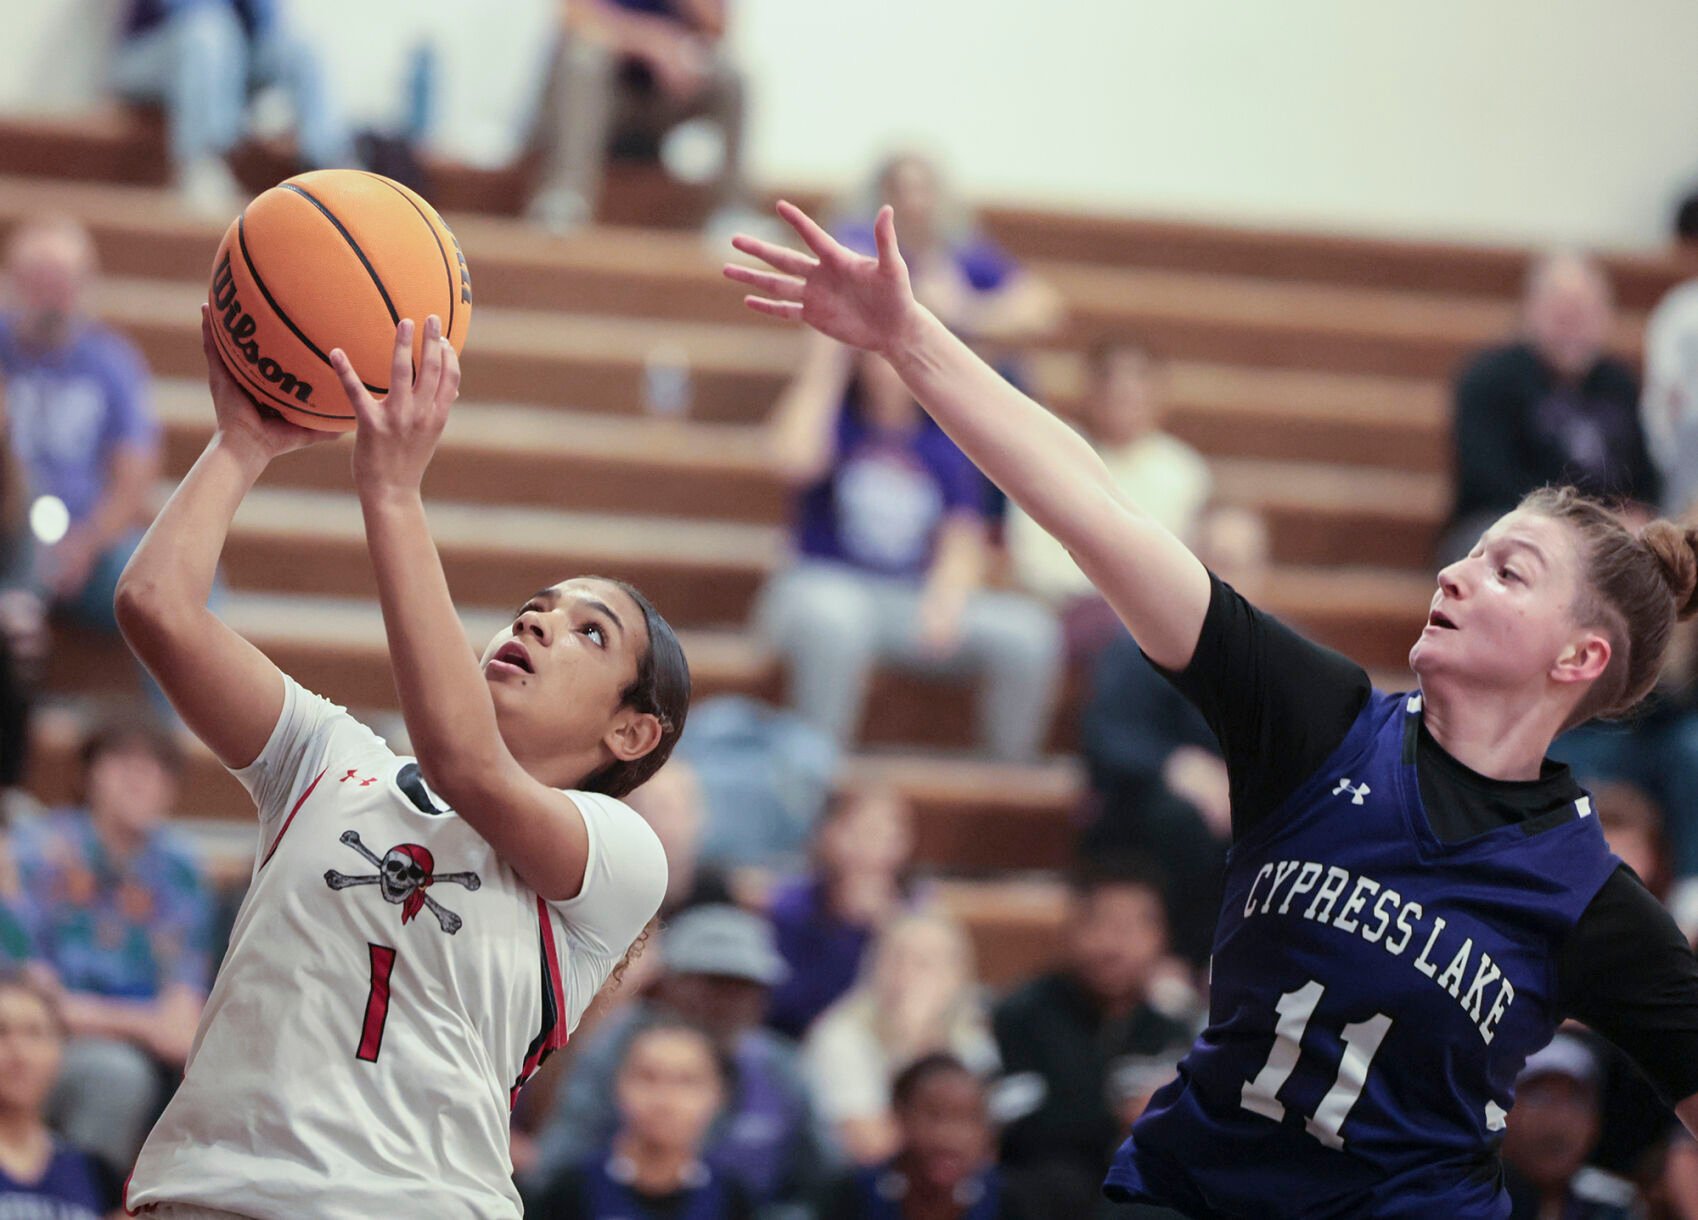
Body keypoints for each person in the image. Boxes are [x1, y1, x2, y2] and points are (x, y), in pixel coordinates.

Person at [726, 202, 1698, 1216]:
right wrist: (909, 336)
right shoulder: (1321, 717)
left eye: (1509, 568)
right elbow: (1097, 509)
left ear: (1580, 654)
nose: (1457, 573)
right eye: (1472, 548)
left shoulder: (1586, 894)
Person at [116, 310, 686, 1217]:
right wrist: (242, 442)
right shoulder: (326, 757)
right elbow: (155, 607)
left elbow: (465, 762)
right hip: (208, 1195)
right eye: (535, 605)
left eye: (588, 631)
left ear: (631, 735)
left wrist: (392, 492)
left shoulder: (620, 856)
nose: (537, 621)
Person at [755, 335, 1061, 761]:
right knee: (838, 622)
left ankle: (1005, 785)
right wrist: (828, 360)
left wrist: (947, 599)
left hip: (906, 600)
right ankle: (815, 776)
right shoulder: (835, 421)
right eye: (876, 356)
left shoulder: (942, 444)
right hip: (821, 584)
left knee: (1029, 634)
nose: (888, 368)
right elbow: (792, 459)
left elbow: (962, 537)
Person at [525, 903, 827, 1218]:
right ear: (669, 983)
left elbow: (822, 1182)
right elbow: (555, 1171)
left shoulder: (782, 1067)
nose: (725, 1002)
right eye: (712, 982)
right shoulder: (620, 1051)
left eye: (743, 986)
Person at [11, 719, 211, 1173]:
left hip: (145, 1047)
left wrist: (152, 1026)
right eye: (124, 763)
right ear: (88, 774)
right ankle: (80, 1198)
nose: (142, 780)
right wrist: (142, 1025)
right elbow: (36, 1001)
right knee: (115, 1075)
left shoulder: (181, 868)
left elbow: (183, 1018)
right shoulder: (35, 850)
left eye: (159, 769)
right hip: (43, 1038)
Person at [1079, 504, 1270, 964]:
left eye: (1241, 562)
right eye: (1216, 558)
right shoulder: (1136, 644)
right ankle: (1182, 964)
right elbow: (1105, 738)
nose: (1228, 576)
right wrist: (1175, 766)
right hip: (1148, 820)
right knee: (1177, 820)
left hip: (1247, 818)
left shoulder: (1285, 662)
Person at [991, 858, 1192, 1214]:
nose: (1113, 945)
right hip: (1048, 1193)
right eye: (1100, 923)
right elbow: (1014, 1127)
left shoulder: (1172, 1030)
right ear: (1070, 929)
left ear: (1161, 938)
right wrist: (1118, 1119)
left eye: (1133, 927)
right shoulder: (1019, 1016)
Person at [0, 217, 160, 639]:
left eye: (63, 285)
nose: (52, 301)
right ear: (12, 282)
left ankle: (185, 708)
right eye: (39, 285)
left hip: (87, 545)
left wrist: (87, 543)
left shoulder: (112, 362)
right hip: (6, 536)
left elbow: (134, 475)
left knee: (165, 588)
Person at [1443, 251, 1659, 563]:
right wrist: (1579, 526)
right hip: (1510, 527)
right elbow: (1487, 483)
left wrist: (1636, 517)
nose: (1573, 327)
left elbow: (1645, 481)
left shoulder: (1619, 385)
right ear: (1530, 311)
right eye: (1561, 314)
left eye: (1584, 314)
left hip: (1605, 540)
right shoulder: (1488, 380)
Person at [1007, 339, 1212, 658]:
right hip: (1062, 610)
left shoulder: (1184, 471)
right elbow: (1031, 560)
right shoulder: (1053, 452)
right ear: (1090, 393)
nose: (1127, 399)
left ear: (1160, 396)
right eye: (1115, 390)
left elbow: (1185, 566)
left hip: (1152, 616)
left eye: (1138, 390)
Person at [112, 0, 356, 217]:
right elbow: (185, 9)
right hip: (150, 54)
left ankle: (330, 167)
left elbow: (266, 25)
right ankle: (203, 162)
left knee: (303, 45)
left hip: (230, 55)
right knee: (209, 30)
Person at [528, 0, 748, 235]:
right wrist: (648, 43)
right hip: (602, 97)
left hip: (659, 100)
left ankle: (732, 212)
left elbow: (718, 27)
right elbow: (574, 17)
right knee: (583, 57)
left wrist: (677, 51)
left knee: (731, 79)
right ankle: (565, 198)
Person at [802, 910, 998, 1167]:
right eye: (895, 959)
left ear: (958, 975)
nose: (906, 975)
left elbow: (992, 1148)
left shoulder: (976, 1036)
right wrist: (912, 1043)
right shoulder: (840, 1036)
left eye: (925, 962)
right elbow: (873, 1148)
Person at [524, 1018, 756, 1220]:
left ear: (720, 1094)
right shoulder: (570, 1191)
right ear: (617, 1084)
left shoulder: (733, 1199)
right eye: (648, 1077)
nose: (665, 1099)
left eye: (687, 1081)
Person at [765, 785, 916, 1040]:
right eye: (866, 832)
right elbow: (782, 1004)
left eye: (891, 835)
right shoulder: (790, 908)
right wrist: (846, 930)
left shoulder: (916, 914)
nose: (876, 848)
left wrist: (888, 933)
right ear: (829, 835)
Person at [819, 1052, 1041, 1220]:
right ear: (900, 1115)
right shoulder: (852, 1195)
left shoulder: (1012, 1202)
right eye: (934, 1116)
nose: (949, 1138)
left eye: (968, 1119)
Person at [0, 973, 121, 1217]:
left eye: (35, 1033)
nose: (19, 1052)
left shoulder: (96, 1172)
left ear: (60, 1050)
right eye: (1, 1032)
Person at [1501, 1033, 1641, 1220]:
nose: (1558, 1119)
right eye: (1539, 1098)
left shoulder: (1613, 1206)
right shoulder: (1465, 1199)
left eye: (1575, 1100)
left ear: (1595, 1121)